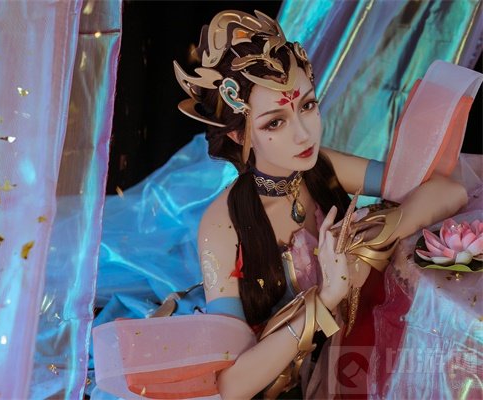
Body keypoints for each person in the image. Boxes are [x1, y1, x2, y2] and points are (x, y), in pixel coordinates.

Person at [92, 9, 473, 399]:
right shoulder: (223, 226)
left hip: (349, 340)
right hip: (282, 380)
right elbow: (233, 385)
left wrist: (363, 244)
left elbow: (447, 190)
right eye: (275, 122)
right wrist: (325, 299)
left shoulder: (321, 167)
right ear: (239, 135)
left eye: (306, 106)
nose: (303, 134)